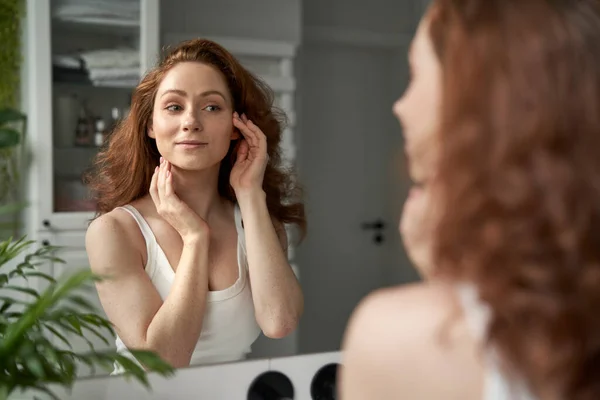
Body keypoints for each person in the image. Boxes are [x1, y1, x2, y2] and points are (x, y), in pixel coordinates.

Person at [339, 0, 600, 399]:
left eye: (413, 75)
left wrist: (448, 286)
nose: (400, 106)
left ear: (478, 106)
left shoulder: (394, 337)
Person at [84, 38, 306, 370]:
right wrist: (194, 238)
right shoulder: (115, 231)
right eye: (174, 107)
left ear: (236, 126)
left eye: (212, 107)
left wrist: (250, 195)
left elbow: (279, 322)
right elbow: (162, 361)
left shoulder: (259, 221)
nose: (191, 121)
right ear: (150, 125)